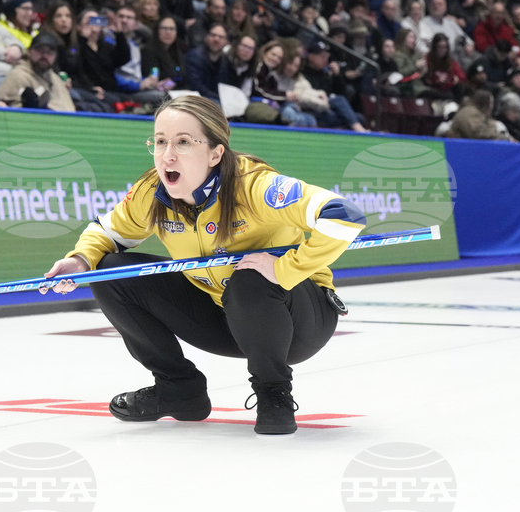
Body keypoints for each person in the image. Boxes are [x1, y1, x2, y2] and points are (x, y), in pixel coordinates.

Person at [40, 95, 365, 434]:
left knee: (250, 276)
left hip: (296, 323)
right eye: (161, 142)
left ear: (215, 152)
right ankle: (179, 391)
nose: (167, 155)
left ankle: (273, 393)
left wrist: (285, 269)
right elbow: (108, 232)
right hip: (224, 315)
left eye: (183, 142)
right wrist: (80, 260)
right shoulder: (153, 190)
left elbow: (343, 215)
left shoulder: (255, 186)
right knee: (110, 270)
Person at [0, 32, 75, 111]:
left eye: (50, 52)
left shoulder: (55, 78)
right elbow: (9, 110)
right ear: (29, 52)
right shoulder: (18, 76)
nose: (44, 55)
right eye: (40, 50)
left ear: (55, 56)